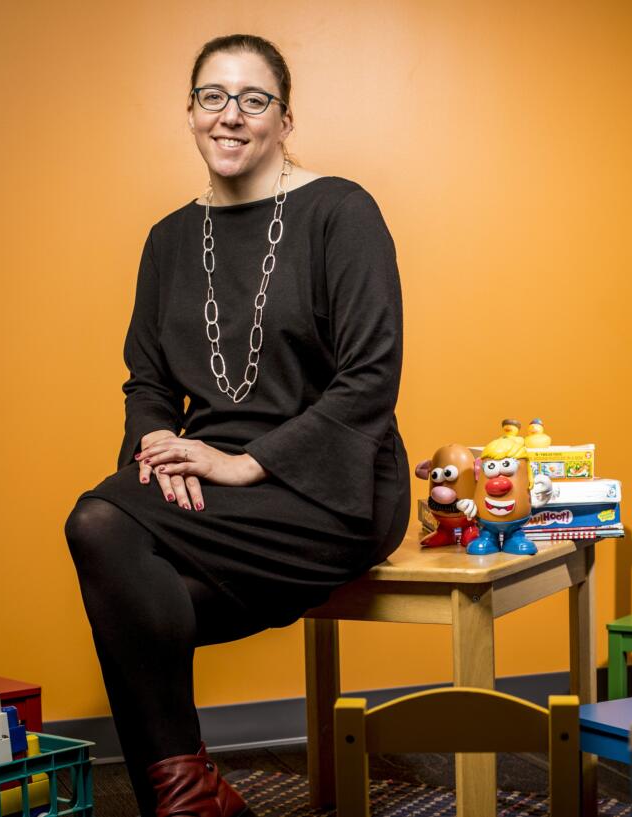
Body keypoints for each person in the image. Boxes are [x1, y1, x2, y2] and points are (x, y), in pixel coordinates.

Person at [64, 34, 410, 817]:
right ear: (188, 112)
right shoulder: (168, 240)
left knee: (120, 573)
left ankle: (186, 802)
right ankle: (192, 798)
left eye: (254, 100)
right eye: (213, 97)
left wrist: (246, 463)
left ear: (285, 121)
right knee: (111, 542)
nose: (231, 116)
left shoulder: (341, 213)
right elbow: (148, 382)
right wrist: (164, 454)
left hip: (333, 483)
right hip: (211, 492)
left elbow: (370, 379)